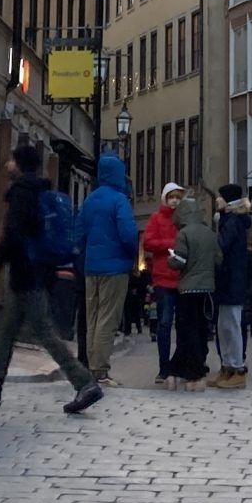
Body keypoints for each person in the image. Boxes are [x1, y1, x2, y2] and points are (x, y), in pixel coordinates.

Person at [0, 143, 103, 414]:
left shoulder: (21, 193)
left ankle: (84, 382)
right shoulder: (40, 190)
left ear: (20, 164)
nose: (6, 165)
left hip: (27, 273)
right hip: (34, 272)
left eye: (11, 161)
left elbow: (13, 236)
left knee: (45, 333)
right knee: (7, 332)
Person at [73, 150, 140, 382]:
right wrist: (130, 256)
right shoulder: (119, 200)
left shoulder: (90, 199)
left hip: (91, 268)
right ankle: (99, 370)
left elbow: (79, 233)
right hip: (114, 268)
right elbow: (129, 234)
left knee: (92, 318)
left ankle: (91, 366)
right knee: (107, 319)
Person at [170, 193, 218, 390]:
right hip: (207, 289)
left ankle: (185, 372)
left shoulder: (184, 234)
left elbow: (179, 261)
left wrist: (171, 259)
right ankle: (194, 370)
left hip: (188, 289)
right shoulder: (210, 233)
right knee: (201, 330)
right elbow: (219, 259)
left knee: (186, 331)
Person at [144, 180, 185, 388]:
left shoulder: (184, 220)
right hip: (163, 278)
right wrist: (171, 244)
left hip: (183, 279)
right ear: (165, 199)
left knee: (183, 325)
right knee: (165, 323)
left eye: (178, 197)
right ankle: (164, 367)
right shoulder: (156, 218)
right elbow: (148, 243)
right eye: (172, 197)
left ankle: (179, 365)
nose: (175, 201)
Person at [212, 184, 252, 390]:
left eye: (219, 197)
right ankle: (228, 367)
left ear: (227, 201)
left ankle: (237, 368)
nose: (216, 200)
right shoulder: (230, 220)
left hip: (231, 280)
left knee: (231, 325)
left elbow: (221, 247)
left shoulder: (231, 222)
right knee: (224, 326)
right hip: (229, 280)